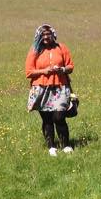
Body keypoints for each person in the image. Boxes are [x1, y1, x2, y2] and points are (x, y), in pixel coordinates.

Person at [25, 24, 74, 156]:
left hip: (60, 87)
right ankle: (51, 147)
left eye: (48, 34)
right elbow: (29, 72)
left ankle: (66, 145)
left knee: (59, 117)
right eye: (43, 34)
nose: (46, 37)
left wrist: (62, 69)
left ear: (53, 35)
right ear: (39, 36)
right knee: (47, 119)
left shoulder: (61, 48)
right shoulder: (35, 50)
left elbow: (70, 66)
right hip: (41, 89)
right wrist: (44, 71)